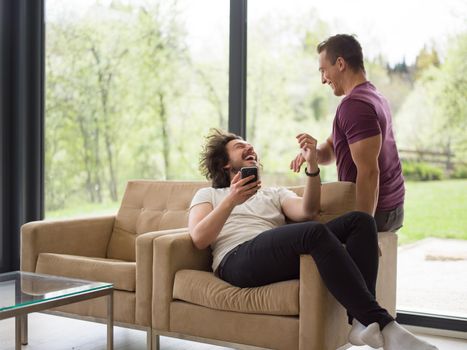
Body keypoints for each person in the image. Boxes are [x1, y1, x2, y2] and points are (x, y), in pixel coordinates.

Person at [188, 128, 437, 350]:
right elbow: (199, 237)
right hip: (235, 261)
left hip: (271, 255)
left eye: (249, 144)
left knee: (361, 221)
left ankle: (362, 321)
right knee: (313, 232)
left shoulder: (273, 193)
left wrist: (313, 166)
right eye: (239, 146)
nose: (249, 147)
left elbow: (307, 211)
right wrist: (232, 199)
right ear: (224, 164)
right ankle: (385, 326)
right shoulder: (208, 194)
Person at [291, 34, 405, 232]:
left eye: (324, 71)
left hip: (378, 212)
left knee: (298, 227)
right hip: (392, 209)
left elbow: (369, 173)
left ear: (340, 64)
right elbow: (333, 147)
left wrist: (364, 232)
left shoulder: (354, 106)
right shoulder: (372, 96)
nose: (322, 80)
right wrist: (313, 153)